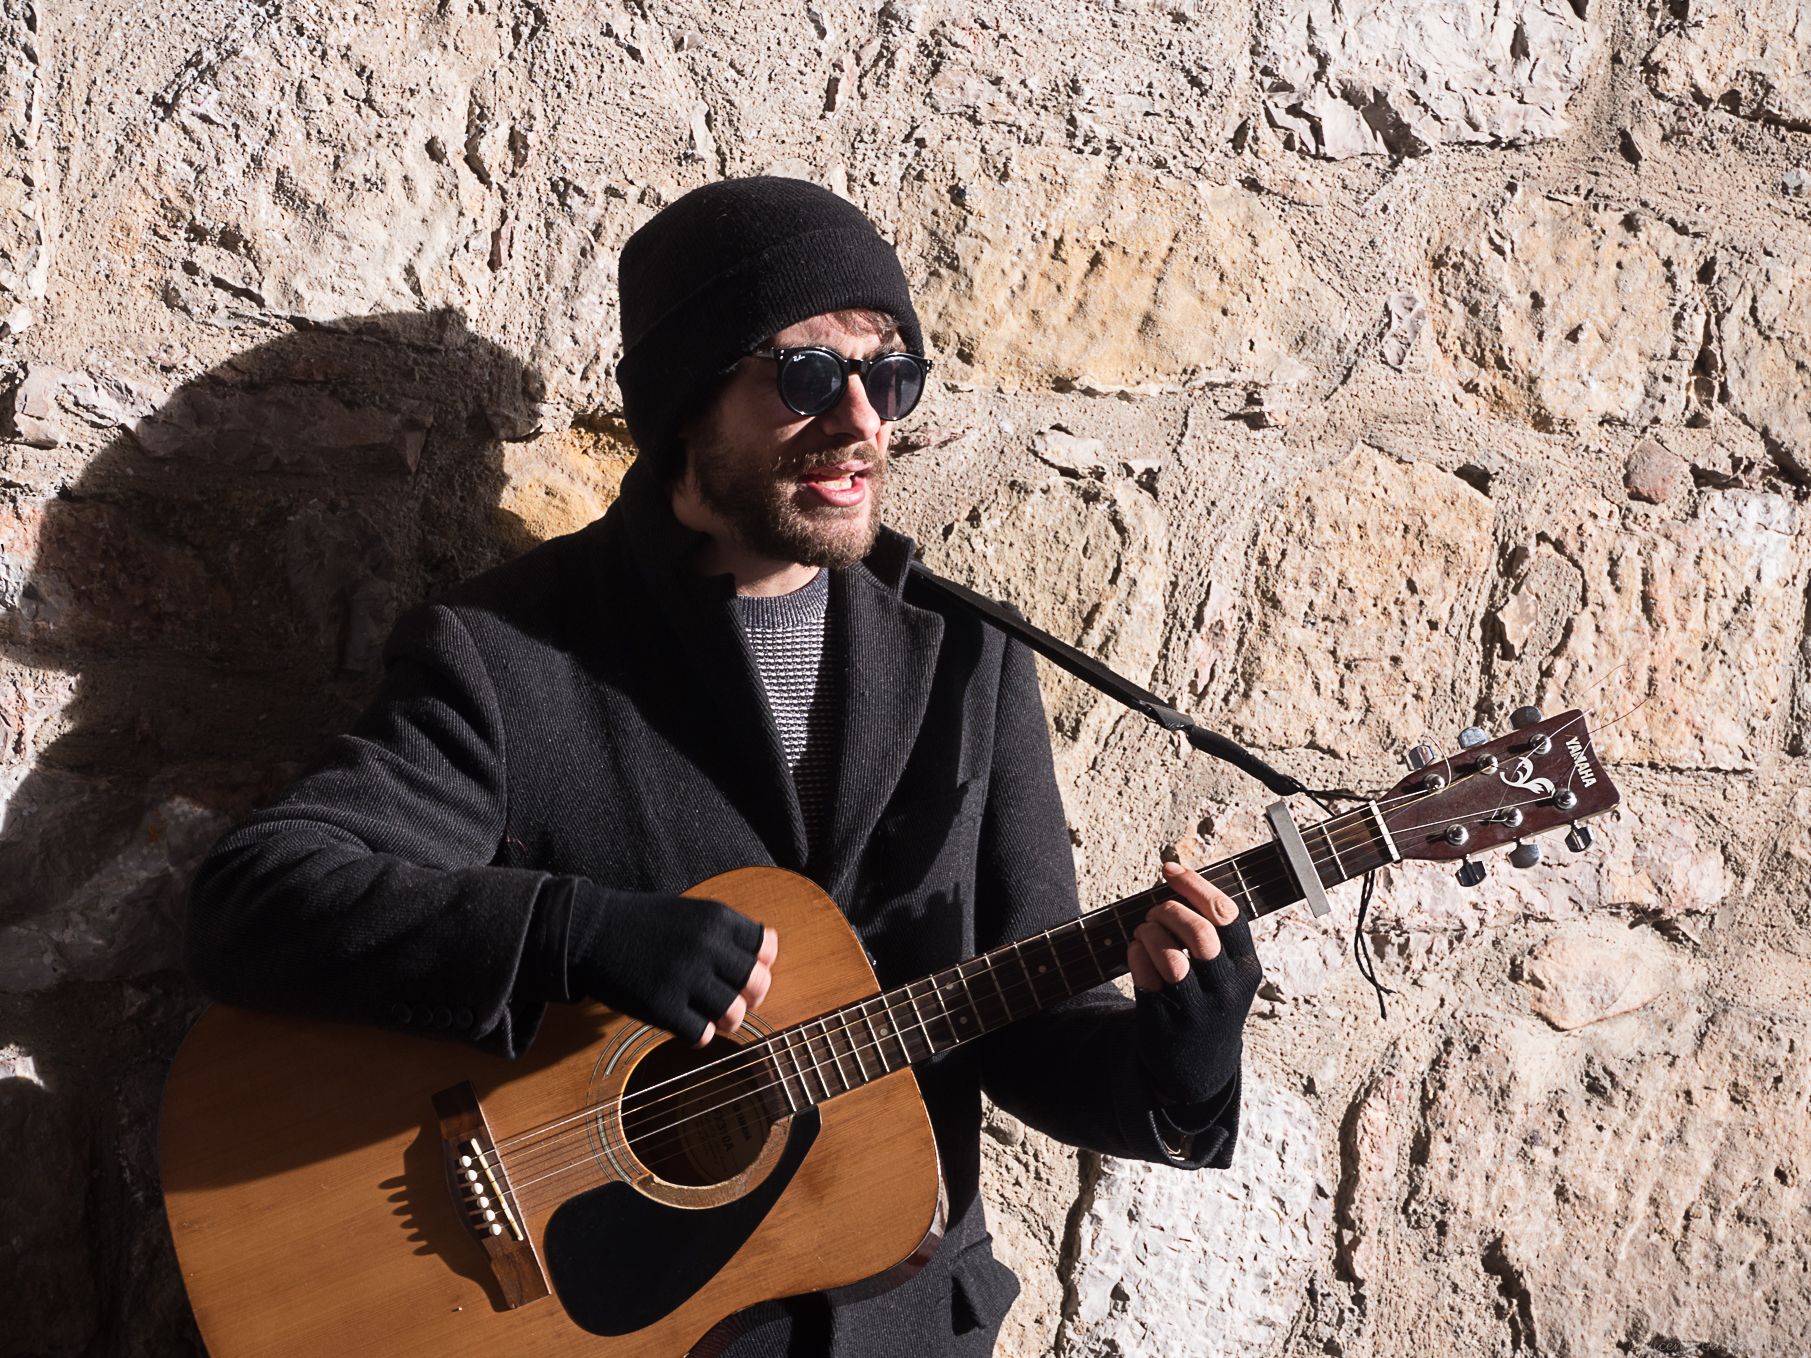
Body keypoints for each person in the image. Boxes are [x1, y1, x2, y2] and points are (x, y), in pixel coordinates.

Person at [185, 176, 1261, 1357]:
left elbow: (1021, 1031)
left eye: (888, 374)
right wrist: (570, 932)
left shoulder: (969, 662)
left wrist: (1184, 1045)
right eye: (807, 374)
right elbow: (258, 893)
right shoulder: (514, 656)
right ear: (691, 401)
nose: (860, 420)